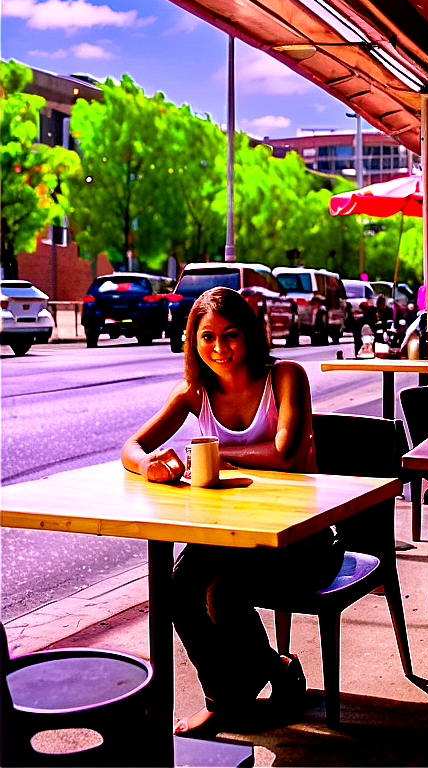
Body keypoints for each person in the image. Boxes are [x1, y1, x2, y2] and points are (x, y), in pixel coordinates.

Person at [121, 286, 344, 737]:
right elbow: (132, 447)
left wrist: (222, 456)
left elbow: (285, 455)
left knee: (224, 594)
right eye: (207, 337)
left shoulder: (285, 378)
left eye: (230, 335)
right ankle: (250, 683)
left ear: (250, 335)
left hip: (302, 536)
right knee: (175, 592)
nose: (219, 348)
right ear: (193, 341)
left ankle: (240, 692)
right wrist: (152, 465)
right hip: (225, 533)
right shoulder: (192, 392)